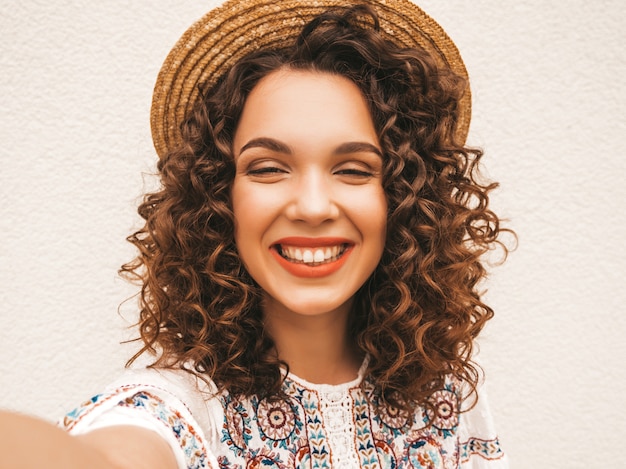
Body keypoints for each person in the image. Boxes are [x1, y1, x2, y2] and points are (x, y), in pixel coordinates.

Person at [0, 0, 511, 467]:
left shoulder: (449, 394)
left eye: (354, 169)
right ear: (219, 200)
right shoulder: (176, 410)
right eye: (268, 168)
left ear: (399, 200)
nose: (313, 207)